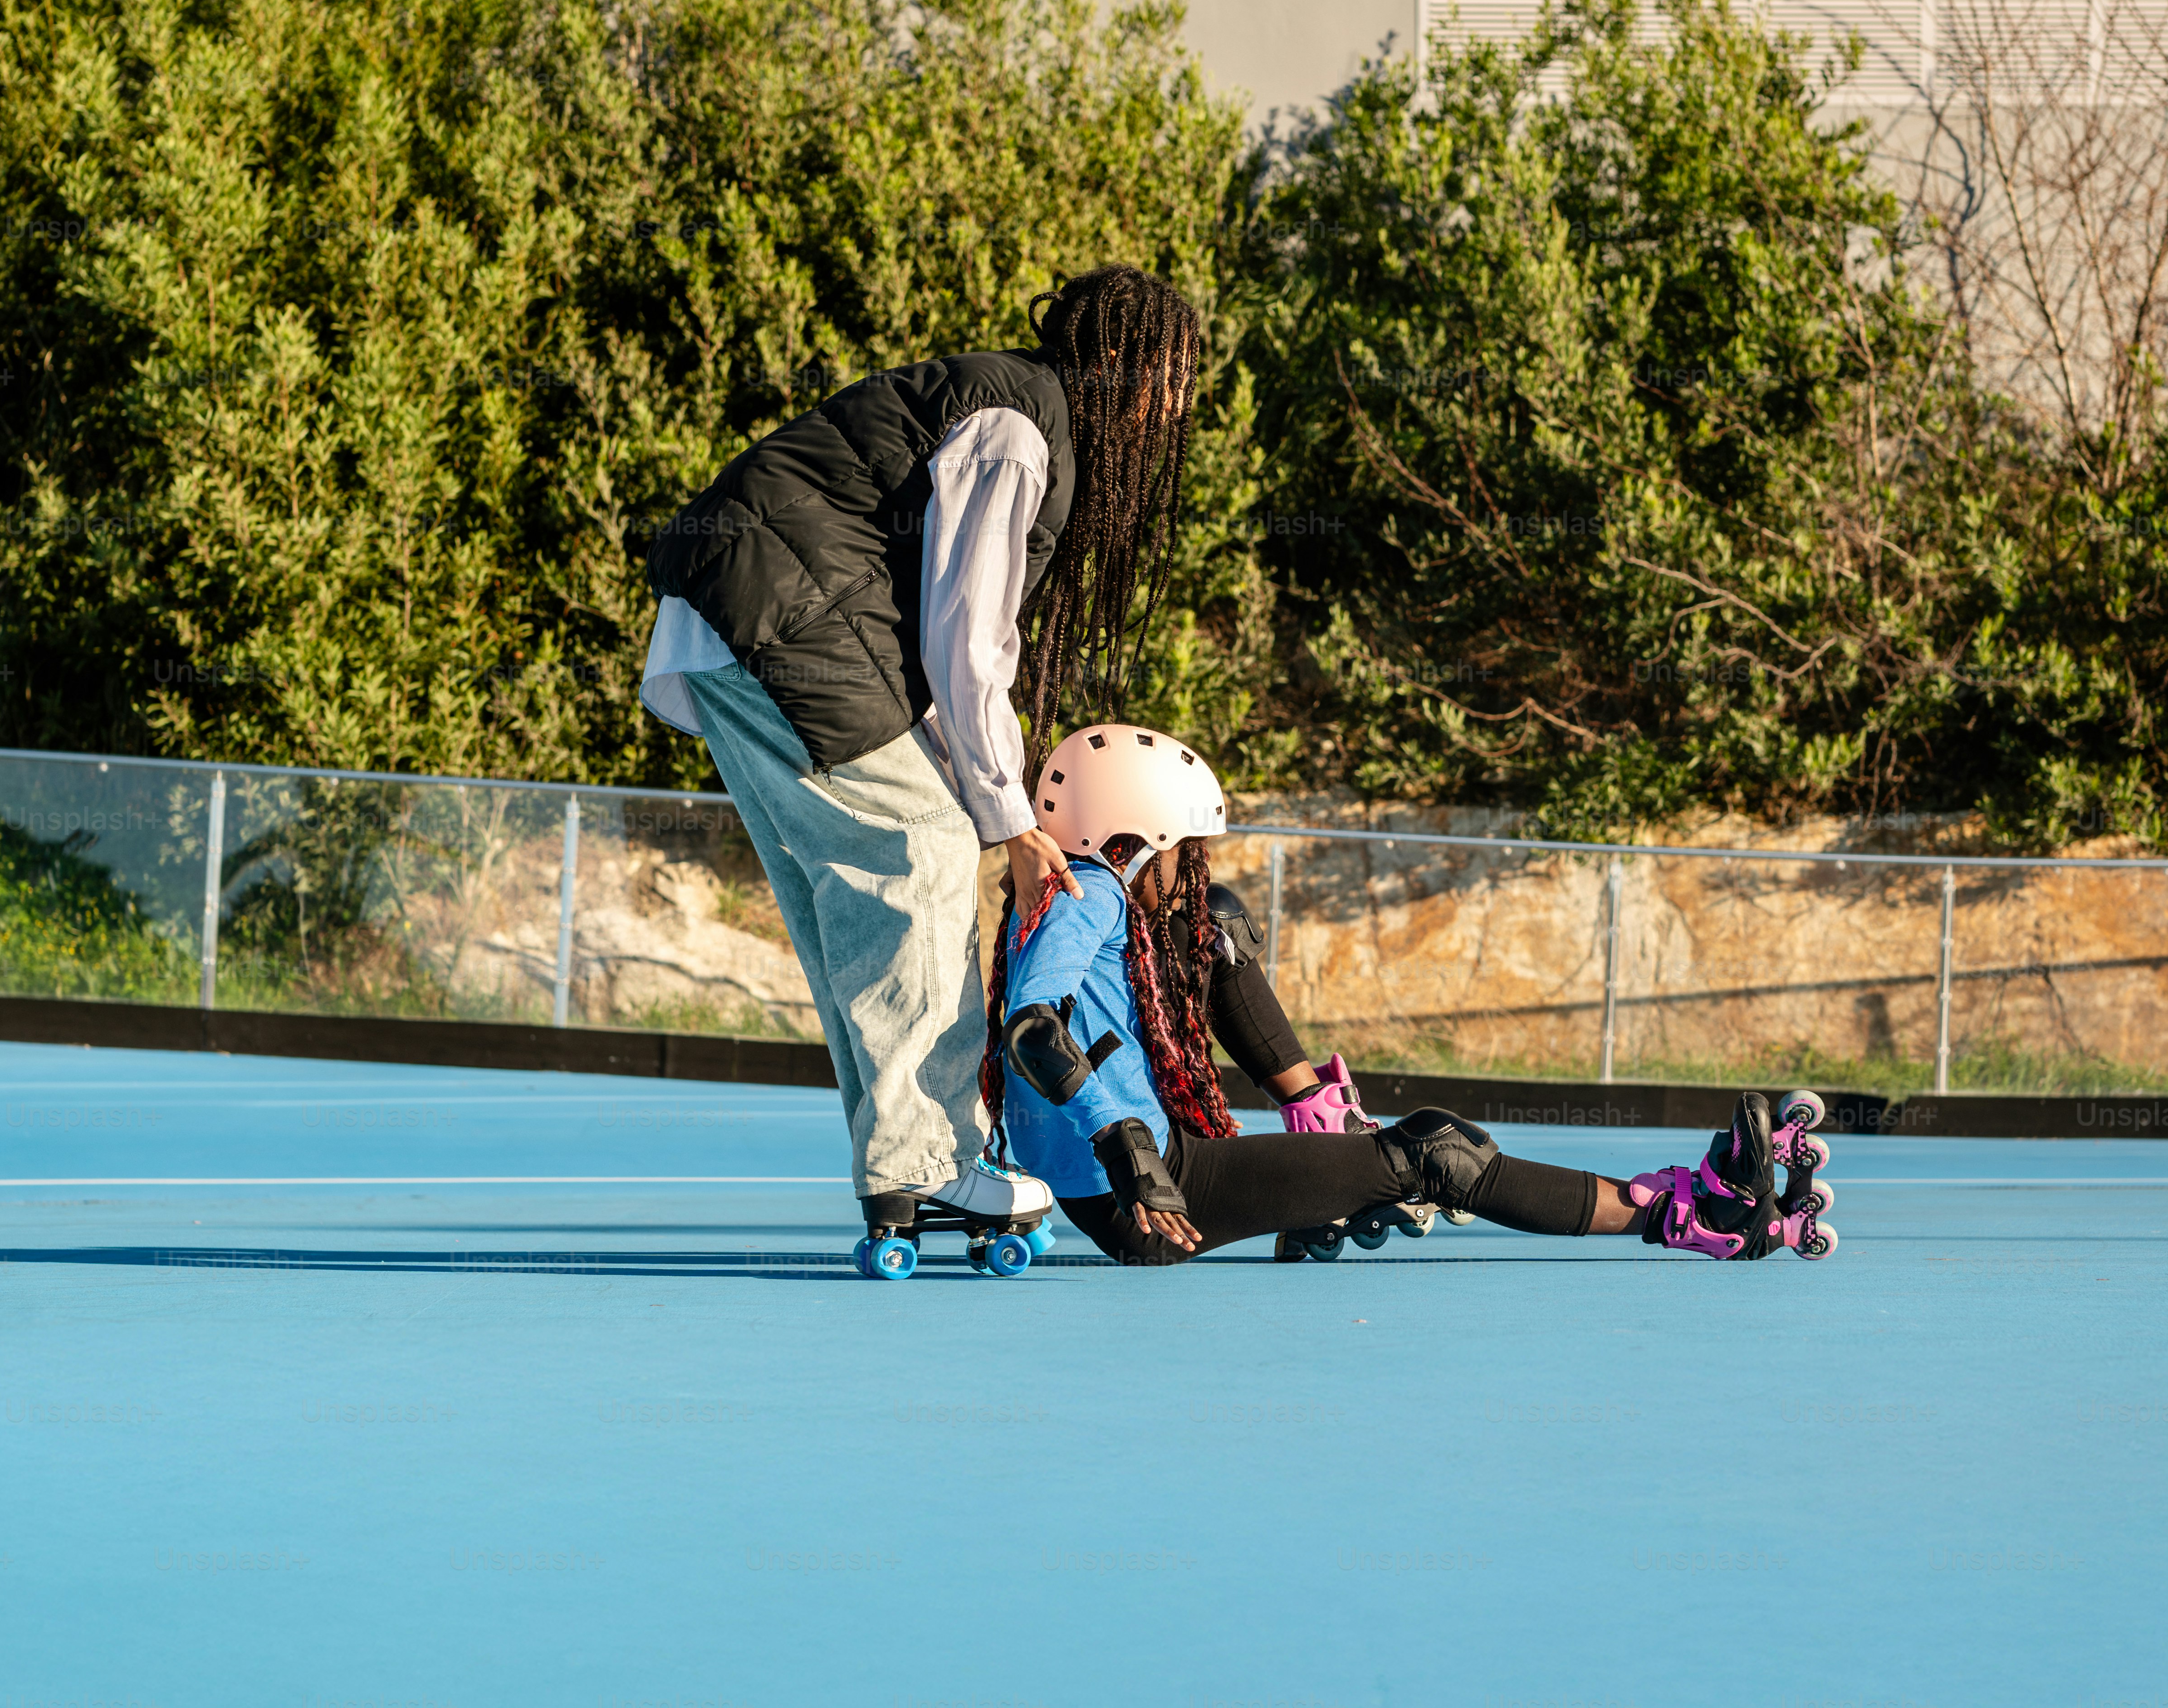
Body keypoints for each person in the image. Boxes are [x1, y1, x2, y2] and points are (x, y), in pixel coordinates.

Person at [638, 266, 1203, 1248]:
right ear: (1113, 362)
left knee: (852, 908)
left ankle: (901, 1169)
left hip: (736, 624)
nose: (1176, 400)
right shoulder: (1019, 431)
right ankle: (931, 1163)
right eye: (1168, 372)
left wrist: (993, 799)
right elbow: (967, 636)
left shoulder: (1012, 410)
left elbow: (944, 655)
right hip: (780, 613)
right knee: (924, 847)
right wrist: (1013, 824)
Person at [987, 723, 1842, 1268]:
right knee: (1438, 1151)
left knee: (1420, 1145)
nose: (1188, 876)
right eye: (1182, 852)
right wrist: (1127, 1144)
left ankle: (1332, 1150)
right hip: (1154, 1195)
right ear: (1132, 842)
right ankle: (1693, 1214)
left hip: (1143, 1184)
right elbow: (1034, 1027)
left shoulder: (1066, 896)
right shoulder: (1092, 893)